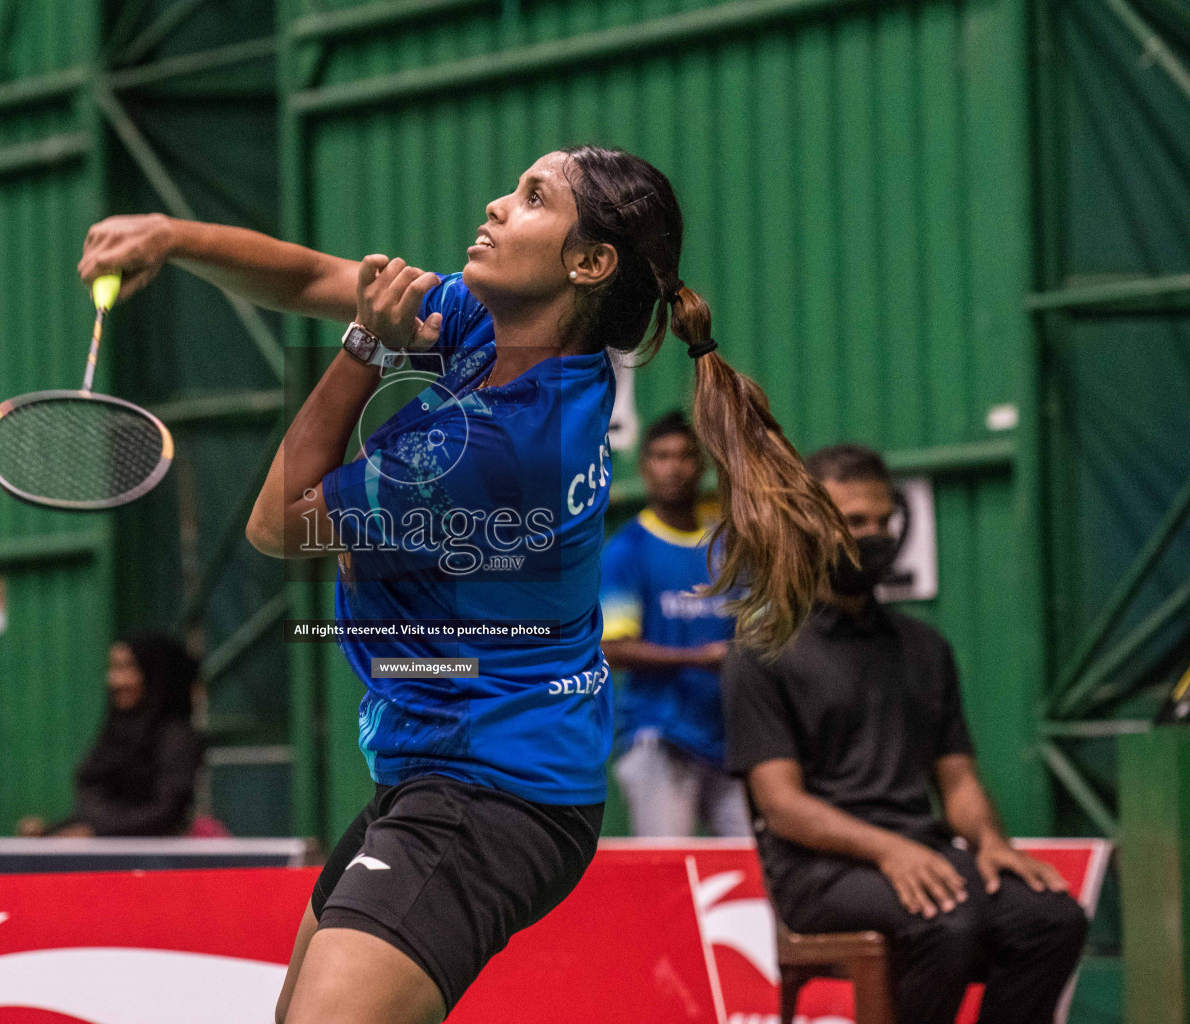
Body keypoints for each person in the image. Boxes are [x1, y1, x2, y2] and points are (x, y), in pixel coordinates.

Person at [78, 145, 851, 1024]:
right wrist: (173, 236)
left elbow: (275, 522)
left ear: (588, 263)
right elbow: (322, 279)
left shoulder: (504, 447)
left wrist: (365, 345)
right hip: (440, 770)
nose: (494, 204)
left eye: (530, 198)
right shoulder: (516, 334)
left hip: (489, 794)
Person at [722, 444, 1088, 1024]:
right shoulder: (762, 653)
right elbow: (782, 806)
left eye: (885, 520)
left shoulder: (925, 648)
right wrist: (889, 850)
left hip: (925, 852)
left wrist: (992, 841)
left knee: (1053, 919)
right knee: (949, 918)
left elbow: (959, 777)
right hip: (819, 873)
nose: (876, 534)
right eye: (855, 521)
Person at [602, 410, 748, 837]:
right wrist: (697, 658)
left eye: (684, 456)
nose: (673, 467)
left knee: (753, 869)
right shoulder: (628, 550)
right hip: (660, 736)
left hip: (732, 740)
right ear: (644, 466)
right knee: (666, 874)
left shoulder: (727, 547)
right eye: (662, 456)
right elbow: (611, 648)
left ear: (700, 465)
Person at [18, 634, 203, 838]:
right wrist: (51, 832)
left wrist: (95, 833)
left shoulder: (175, 737)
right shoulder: (117, 732)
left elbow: (165, 813)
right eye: (113, 667)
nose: (115, 680)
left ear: (154, 673)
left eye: (127, 668)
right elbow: (104, 813)